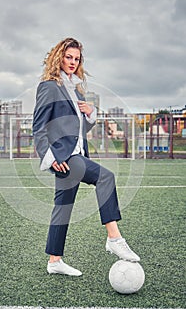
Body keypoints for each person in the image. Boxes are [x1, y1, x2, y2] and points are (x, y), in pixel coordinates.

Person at [33, 37, 140, 276]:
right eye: (68, 57)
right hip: (64, 157)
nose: (72, 62)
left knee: (62, 207)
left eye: (76, 58)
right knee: (105, 177)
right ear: (58, 57)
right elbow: (38, 126)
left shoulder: (77, 88)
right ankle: (114, 238)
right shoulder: (49, 86)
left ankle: (54, 261)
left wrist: (91, 114)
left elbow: (77, 130)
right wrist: (51, 157)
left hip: (76, 153)